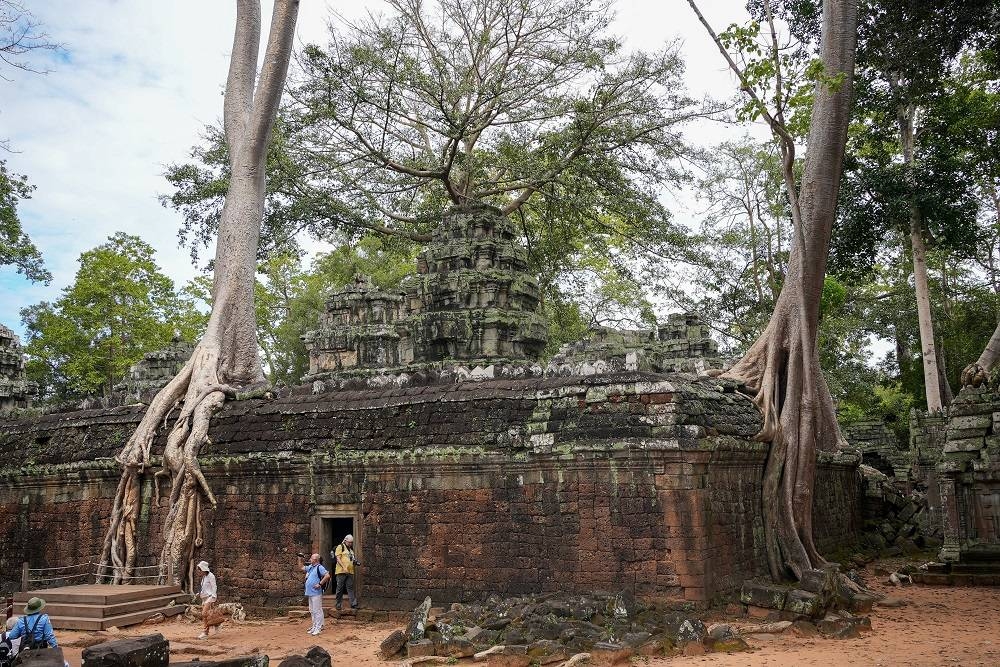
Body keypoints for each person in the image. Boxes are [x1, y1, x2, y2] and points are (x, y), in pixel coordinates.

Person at [299, 553, 330, 635]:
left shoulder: (320, 567)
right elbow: (301, 567)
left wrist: (320, 584)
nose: (310, 560)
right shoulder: (311, 567)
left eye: (311, 558)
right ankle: (314, 626)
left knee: (317, 610)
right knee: (312, 611)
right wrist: (299, 559)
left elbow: (327, 576)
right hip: (310, 593)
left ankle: (318, 628)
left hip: (316, 593)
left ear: (316, 560)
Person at [333, 534, 359, 611]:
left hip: (350, 571)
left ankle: (353, 604)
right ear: (345, 541)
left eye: (351, 542)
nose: (350, 544)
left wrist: (355, 563)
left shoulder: (351, 550)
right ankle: (338, 604)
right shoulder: (340, 547)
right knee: (340, 588)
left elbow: (352, 560)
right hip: (341, 571)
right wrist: (344, 567)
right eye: (349, 542)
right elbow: (338, 558)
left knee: (350, 588)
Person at [196, 560, 218, 639]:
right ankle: (215, 624)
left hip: (210, 597)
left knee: (204, 613)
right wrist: (200, 593)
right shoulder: (204, 577)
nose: (198, 571)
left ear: (203, 569)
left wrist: (213, 597)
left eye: (199, 569)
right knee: (206, 615)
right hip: (205, 597)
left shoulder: (211, 576)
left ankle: (205, 632)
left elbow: (214, 587)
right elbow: (204, 587)